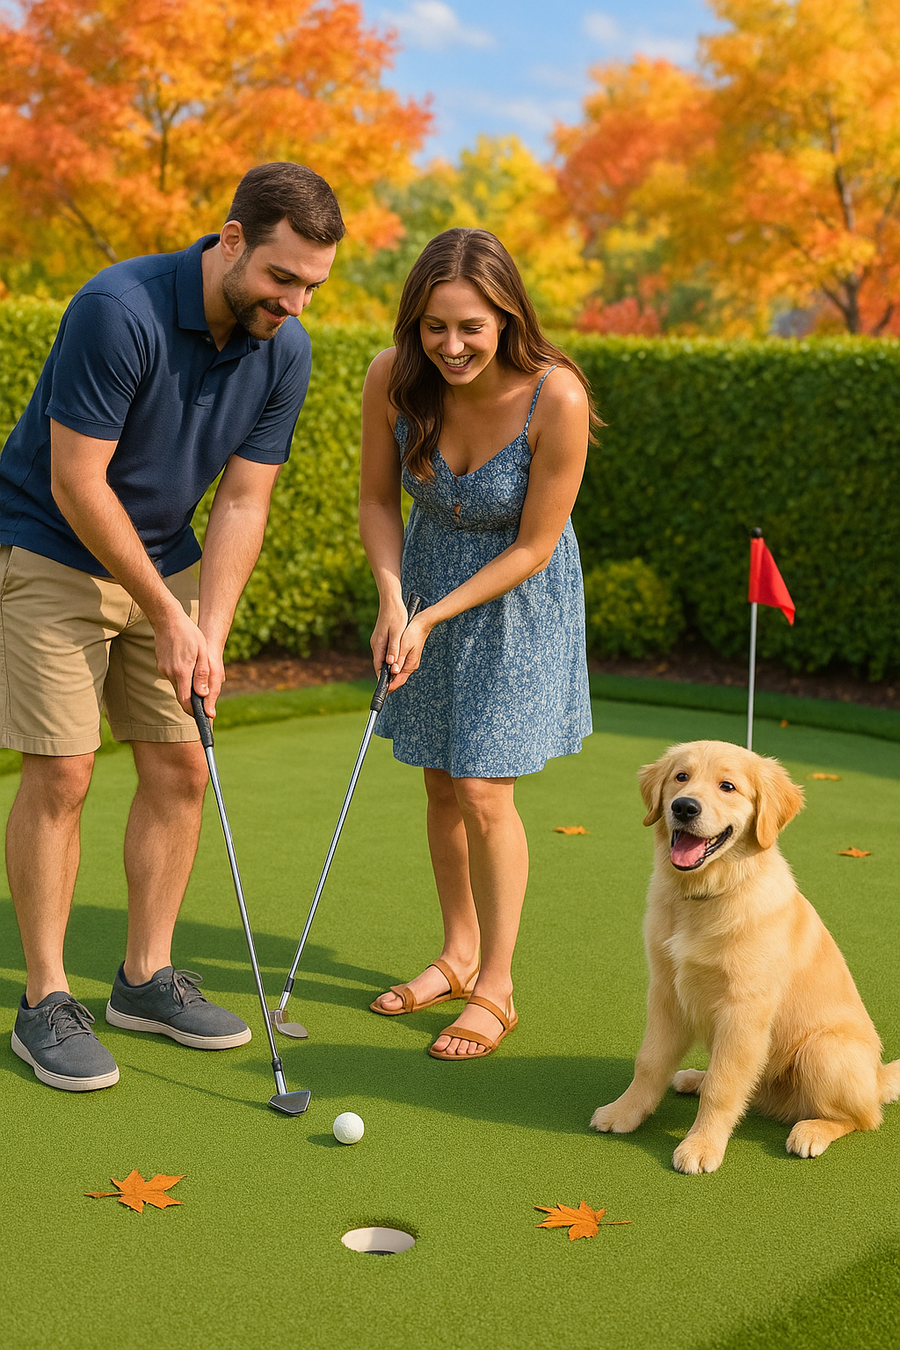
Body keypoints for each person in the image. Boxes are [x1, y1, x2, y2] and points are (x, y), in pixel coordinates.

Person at [0, 161, 344, 1092]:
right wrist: (165, 612)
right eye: (282, 276)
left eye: (313, 284)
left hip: (165, 551)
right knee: (63, 771)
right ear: (231, 239)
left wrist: (210, 628)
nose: (295, 301)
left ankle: (143, 980)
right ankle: (44, 1001)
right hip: (49, 544)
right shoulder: (120, 310)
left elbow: (243, 499)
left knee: (182, 763)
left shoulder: (286, 349)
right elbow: (78, 480)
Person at [359, 227, 594, 1060]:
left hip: (512, 603)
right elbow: (380, 504)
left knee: (484, 791)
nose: (451, 346)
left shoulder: (555, 397)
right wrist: (395, 599)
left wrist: (428, 616)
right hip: (419, 585)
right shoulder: (392, 378)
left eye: (471, 327)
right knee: (437, 783)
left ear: (506, 317)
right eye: (434, 326)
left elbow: (534, 546)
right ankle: (457, 955)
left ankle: (497, 983)